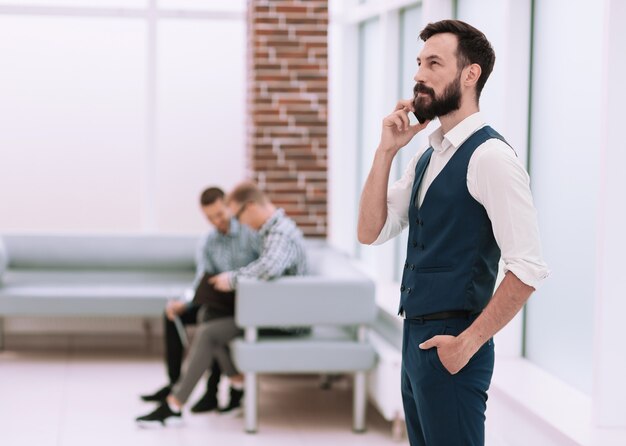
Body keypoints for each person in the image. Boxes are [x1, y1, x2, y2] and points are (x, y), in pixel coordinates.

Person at [357, 20, 549, 446]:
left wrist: (466, 345)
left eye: (433, 63)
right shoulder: (429, 155)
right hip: (416, 341)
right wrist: (386, 150)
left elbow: (528, 268)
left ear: (469, 74)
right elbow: (370, 231)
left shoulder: (491, 157)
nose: (418, 75)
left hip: (454, 346)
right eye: (419, 63)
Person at [136, 181, 307, 425]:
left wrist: (231, 279)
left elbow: (268, 267)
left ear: (247, 208)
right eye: (210, 218)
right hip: (260, 309)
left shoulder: (275, 233)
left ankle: (176, 404)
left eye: (231, 214)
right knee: (207, 315)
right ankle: (224, 385)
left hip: (276, 317)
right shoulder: (265, 231)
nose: (235, 221)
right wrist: (189, 299)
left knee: (209, 332)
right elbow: (202, 279)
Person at [138, 187, 260, 416]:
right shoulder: (208, 242)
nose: (216, 221)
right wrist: (184, 302)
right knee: (174, 314)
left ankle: (210, 391)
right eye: (209, 218)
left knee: (209, 321)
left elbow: (262, 270)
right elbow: (200, 281)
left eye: (219, 214)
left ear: (228, 206)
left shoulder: (249, 234)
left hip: (245, 306)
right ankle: (176, 384)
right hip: (217, 302)